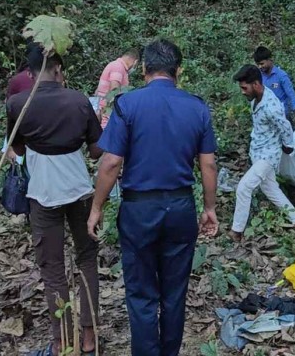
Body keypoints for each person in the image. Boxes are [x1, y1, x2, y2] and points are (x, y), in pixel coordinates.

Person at [87, 39, 219, 356]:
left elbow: (111, 162)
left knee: (141, 292)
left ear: (144, 68)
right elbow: (209, 164)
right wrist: (210, 208)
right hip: (180, 208)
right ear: (178, 71)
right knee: (174, 293)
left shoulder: (128, 105)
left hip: (139, 210)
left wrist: (96, 207)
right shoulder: (197, 107)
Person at [7, 46, 103, 356]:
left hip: (43, 193)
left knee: (52, 268)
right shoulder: (78, 100)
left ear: (30, 73)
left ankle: (62, 341)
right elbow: (96, 150)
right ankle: (89, 337)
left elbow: (17, 150)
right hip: (79, 190)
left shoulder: (18, 104)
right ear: (59, 69)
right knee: (87, 258)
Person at [229, 65, 295, 242]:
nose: (242, 92)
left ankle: (236, 230)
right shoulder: (257, 98)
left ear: (256, 84)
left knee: (244, 188)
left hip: (268, 155)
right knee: (270, 188)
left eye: (244, 88)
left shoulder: (271, 106)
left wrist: (288, 145)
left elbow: (285, 126)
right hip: (258, 151)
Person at [253, 46, 295, 134]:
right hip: (267, 118)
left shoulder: (281, 76)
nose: (260, 67)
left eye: (262, 63)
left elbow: (292, 96)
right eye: (258, 64)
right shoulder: (259, 77)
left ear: (269, 60)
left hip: (283, 117)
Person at [94, 48, 140, 128]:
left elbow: (97, 91)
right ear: (135, 61)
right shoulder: (118, 67)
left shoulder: (115, 65)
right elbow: (114, 91)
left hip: (103, 110)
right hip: (107, 113)